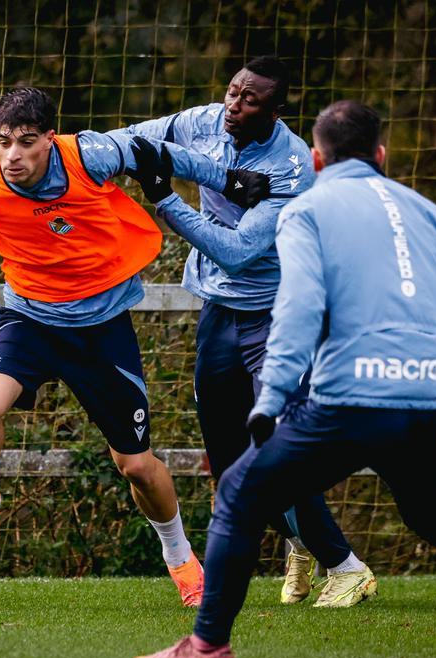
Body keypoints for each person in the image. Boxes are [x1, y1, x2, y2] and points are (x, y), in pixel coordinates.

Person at [131, 100, 436, 658]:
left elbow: (296, 312)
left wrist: (269, 401)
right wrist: (430, 368)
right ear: (381, 155)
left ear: (316, 159)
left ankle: (206, 645)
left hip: (348, 399)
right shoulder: (427, 211)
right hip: (424, 396)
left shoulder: (307, 208)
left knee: (241, 493)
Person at [0, 87, 270, 607]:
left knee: (135, 465)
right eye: (2, 143)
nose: (12, 156)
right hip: (29, 320)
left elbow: (156, 152)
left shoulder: (91, 154)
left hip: (101, 329)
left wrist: (227, 179)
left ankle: (180, 558)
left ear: (49, 138)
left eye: (25, 143)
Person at [117, 56, 375, 608]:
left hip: (277, 317)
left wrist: (164, 198)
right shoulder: (205, 122)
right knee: (230, 460)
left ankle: (348, 568)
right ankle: (300, 540)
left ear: (276, 110)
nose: (234, 105)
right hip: (218, 315)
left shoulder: (291, 167)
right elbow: (134, 139)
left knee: (280, 449)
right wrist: (65, 152)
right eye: (233, 93)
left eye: (250, 99)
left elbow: (235, 254)